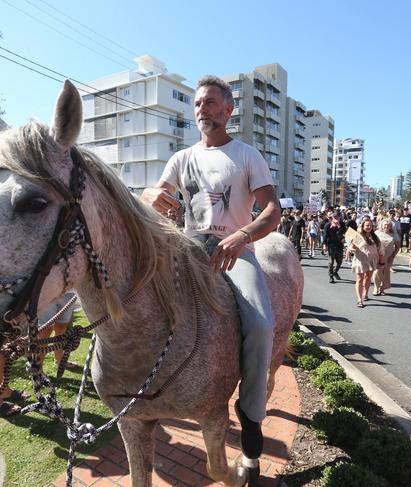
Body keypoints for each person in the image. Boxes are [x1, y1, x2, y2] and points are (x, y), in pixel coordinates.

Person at [140, 75, 280, 475]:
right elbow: (156, 200)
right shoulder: (181, 158)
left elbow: (272, 212)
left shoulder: (247, 155)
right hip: (187, 249)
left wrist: (241, 236)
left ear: (228, 110)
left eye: (210, 103)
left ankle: (251, 417)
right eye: (198, 103)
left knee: (261, 325)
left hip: (237, 254)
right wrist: (150, 199)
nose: (202, 109)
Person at [350, 217, 383, 308]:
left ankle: (366, 293)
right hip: (360, 260)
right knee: (359, 279)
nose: (369, 227)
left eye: (370, 225)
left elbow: (380, 249)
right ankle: (359, 300)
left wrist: (381, 261)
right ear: (362, 226)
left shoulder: (375, 237)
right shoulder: (358, 236)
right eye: (367, 225)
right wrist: (358, 234)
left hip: (372, 260)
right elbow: (352, 249)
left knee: (368, 277)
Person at [373, 220, 399, 295]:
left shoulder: (394, 235)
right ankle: (376, 288)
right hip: (377, 255)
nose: (386, 226)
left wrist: (393, 256)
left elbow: (397, 246)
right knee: (377, 271)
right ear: (382, 225)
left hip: (388, 256)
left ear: (391, 226)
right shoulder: (377, 233)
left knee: (385, 273)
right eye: (385, 225)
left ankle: (382, 288)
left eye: (388, 225)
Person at [323, 215, 345, 283]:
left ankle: (335, 272)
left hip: (339, 245)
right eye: (334, 217)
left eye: (337, 217)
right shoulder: (328, 225)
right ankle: (331, 276)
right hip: (331, 246)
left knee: (340, 261)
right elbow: (325, 235)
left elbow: (344, 232)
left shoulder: (342, 224)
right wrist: (324, 245)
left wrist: (339, 226)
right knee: (331, 262)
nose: (336, 218)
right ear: (332, 218)